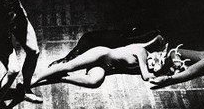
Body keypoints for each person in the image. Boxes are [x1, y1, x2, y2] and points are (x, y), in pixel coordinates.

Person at [31, 34, 165, 89]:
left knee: (95, 82)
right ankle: (32, 81)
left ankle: (64, 78)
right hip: (101, 55)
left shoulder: (145, 51)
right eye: (154, 62)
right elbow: (146, 76)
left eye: (152, 66)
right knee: (69, 65)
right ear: (155, 54)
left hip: (104, 67)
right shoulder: (142, 53)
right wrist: (166, 75)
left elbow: (148, 44)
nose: (151, 65)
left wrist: (163, 68)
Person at [48, 27, 162, 67]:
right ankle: (68, 59)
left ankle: (68, 60)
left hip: (126, 44)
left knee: (90, 39)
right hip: (126, 39)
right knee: (90, 38)